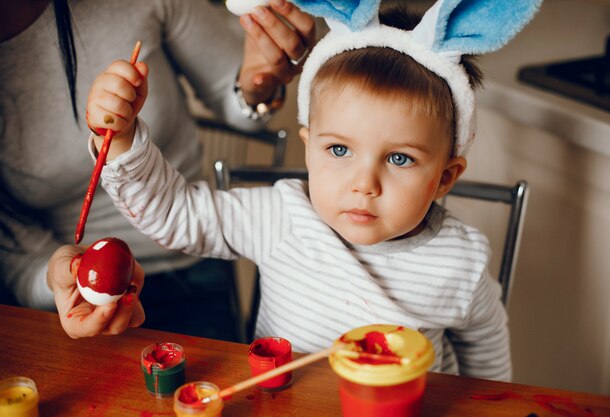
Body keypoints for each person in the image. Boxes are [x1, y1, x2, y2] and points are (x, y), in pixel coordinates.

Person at [80, 0, 541, 380]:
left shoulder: (462, 259)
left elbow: (486, 358)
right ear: (308, 148)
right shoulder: (283, 217)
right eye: (339, 150)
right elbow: (174, 215)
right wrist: (120, 140)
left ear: (444, 177)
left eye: (399, 158)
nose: (364, 184)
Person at [0, 0, 315, 340]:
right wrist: (57, 278)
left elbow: (240, 91)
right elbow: (18, 259)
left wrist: (257, 85)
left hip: (192, 264)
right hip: (65, 305)